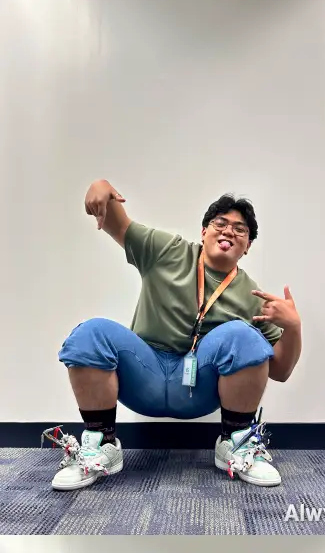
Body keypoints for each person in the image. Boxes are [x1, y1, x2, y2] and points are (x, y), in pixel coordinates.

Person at [46, 181, 303, 490]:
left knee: (243, 334)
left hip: (199, 388)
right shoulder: (167, 250)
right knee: (91, 333)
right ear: (204, 231)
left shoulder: (252, 295)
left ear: (247, 246)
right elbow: (116, 222)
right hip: (144, 375)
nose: (229, 232)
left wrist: (293, 328)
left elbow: (280, 370)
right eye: (220, 224)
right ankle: (101, 446)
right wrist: (99, 188)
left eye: (240, 229)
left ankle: (236, 444)